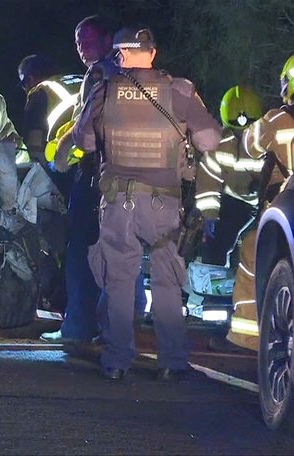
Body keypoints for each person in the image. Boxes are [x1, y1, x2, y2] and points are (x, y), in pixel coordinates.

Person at [73, 28, 220, 380]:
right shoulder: (180, 91)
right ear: (152, 54)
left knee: (120, 280)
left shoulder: (103, 90)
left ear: (119, 55)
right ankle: (171, 362)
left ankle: (117, 361)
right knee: (167, 279)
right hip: (163, 204)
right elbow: (211, 140)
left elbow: (84, 141)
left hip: (116, 202)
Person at [42, 15, 146, 345]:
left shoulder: (100, 73)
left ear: (107, 41)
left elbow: (86, 127)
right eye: (77, 42)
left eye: (87, 40)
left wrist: (61, 152)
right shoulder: (136, 75)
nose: (81, 48)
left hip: (97, 177)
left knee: (81, 253)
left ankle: (78, 328)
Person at [221, 53, 294, 352]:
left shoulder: (278, 119)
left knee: (252, 250)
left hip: (288, 206)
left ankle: (246, 338)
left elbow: (250, 146)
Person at [192, 85, 265, 352]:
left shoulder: (268, 141)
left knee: (259, 250)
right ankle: (215, 307)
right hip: (234, 202)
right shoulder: (219, 145)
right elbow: (208, 183)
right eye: (236, 128)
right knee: (216, 243)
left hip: (268, 202)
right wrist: (210, 217)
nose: (243, 133)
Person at [17, 54, 82, 198]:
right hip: (103, 157)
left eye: (23, 85)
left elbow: (35, 148)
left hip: (68, 164)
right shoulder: (81, 79)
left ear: (30, 79)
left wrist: (48, 191)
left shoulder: (40, 92)